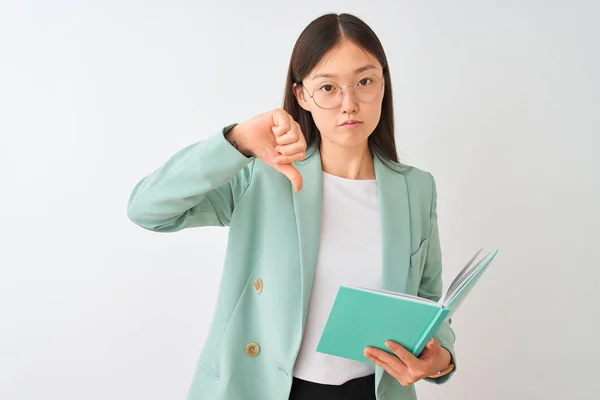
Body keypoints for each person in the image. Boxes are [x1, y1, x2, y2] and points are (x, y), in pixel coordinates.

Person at [127, 12, 456, 400]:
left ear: (383, 84)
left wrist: (441, 360)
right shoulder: (264, 175)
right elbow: (148, 209)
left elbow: (428, 301)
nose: (349, 103)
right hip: (267, 389)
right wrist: (237, 142)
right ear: (302, 95)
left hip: (374, 392)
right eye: (328, 88)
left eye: (364, 81)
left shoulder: (416, 188)